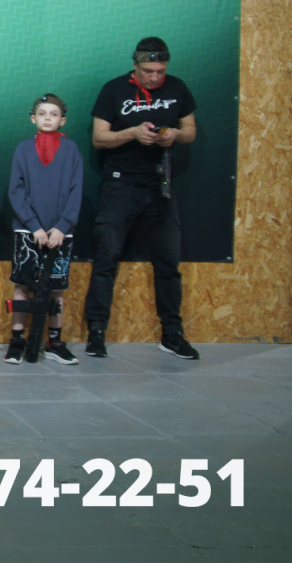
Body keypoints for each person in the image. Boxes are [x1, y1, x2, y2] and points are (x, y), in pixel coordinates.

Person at [84, 37, 199, 360]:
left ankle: (172, 333)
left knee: (168, 264)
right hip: (120, 185)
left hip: (161, 186)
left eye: (161, 70)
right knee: (106, 259)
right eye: (148, 71)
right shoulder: (114, 89)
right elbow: (99, 138)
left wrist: (175, 135)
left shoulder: (177, 87)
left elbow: (190, 130)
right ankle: (96, 332)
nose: (155, 76)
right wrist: (132, 133)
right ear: (135, 65)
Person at [5, 94, 83, 365]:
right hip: (28, 232)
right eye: (42, 113)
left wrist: (62, 226)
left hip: (61, 232)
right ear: (33, 118)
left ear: (63, 120)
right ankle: (17, 339)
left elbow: (76, 191)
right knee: (22, 285)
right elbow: (16, 191)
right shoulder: (23, 149)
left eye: (54, 114)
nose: (47, 118)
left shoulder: (71, 150)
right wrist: (34, 226)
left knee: (56, 289)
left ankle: (54, 341)